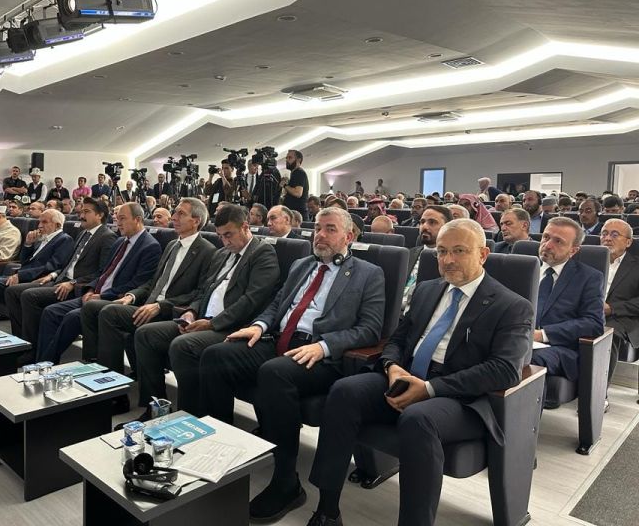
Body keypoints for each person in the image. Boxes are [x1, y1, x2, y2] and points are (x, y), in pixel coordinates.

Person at [306, 219, 533, 526]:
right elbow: (397, 340)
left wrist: (429, 389)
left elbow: (505, 370)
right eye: (441, 251)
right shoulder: (427, 290)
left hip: (459, 397)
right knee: (345, 391)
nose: (448, 260)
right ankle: (327, 508)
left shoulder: (511, 306)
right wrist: (392, 367)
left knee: (418, 418)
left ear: (483, 254)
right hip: (407, 376)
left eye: (459, 251)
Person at [199, 207, 386, 522]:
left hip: (321, 355)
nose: (320, 235)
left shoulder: (368, 273)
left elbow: (370, 329)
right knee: (216, 355)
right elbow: (277, 305)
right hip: (279, 341)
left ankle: (286, 481)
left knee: (274, 373)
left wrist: (324, 346)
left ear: (349, 236)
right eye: (318, 229)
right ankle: (223, 450)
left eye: (330, 229)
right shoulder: (302, 265)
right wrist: (258, 326)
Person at [131, 204, 279, 418]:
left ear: (245, 227)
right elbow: (203, 291)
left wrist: (211, 324)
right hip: (202, 320)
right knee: (146, 334)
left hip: (231, 326)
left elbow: (251, 300)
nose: (225, 241)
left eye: (229, 235)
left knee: (183, 345)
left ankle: (190, 415)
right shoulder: (221, 254)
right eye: (220, 236)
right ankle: (156, 408)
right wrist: (191, 312)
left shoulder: (262, 253)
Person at [81, 197, 216, 375]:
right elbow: (154, 282)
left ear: (196, 221)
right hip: (147, 304)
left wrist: (160, 306)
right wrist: (132, 295)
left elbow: (199, 293)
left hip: (170, 310)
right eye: (175, 212)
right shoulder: (172, 245)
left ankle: (110, 378)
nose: (174, 217)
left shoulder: (208, 251)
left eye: (181, 214)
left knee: (110, 312)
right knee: (94, 307)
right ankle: (100, 370)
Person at [34, 202, 161, 363]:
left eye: (122, 218)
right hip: (95, 294)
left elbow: (138, 283)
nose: (118, 222)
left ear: (138, 220)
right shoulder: (120, 242)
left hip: (114, 299)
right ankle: (41, 361)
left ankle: (47, 362)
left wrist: (102, 296)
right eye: (117, 218)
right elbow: (103, 273)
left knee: (72, 318)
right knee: (51, 312)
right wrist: (90, 289)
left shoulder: (150, 246)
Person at [4, 197, 117, 361]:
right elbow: (69, 264)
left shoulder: (107, 237)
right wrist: (53, 275)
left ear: (100, 215)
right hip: (61, 280)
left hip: (78, 287)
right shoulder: (83, 233)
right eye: (82, 211)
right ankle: (25, 345)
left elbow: (102, 272)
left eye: (87, 212)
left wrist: (73, 283)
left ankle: (33, 352)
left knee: (30, 296)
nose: (81, 215)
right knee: (14, 291)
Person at [530, 217, 604, 405]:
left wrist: (542, 335)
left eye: (558, 241)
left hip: (559, 348)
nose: (547, 245)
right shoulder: (524, 268)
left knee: (524, 357)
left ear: (573, 250)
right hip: (517, 338)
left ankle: (522, 419)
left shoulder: (589, 277)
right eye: (546, 237)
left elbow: (593, 323)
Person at [0, 209, 73, 331]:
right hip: (23, 274)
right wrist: (28, 244)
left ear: (57, 225)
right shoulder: (42, 238)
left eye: (44, 222)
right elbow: (24, 262)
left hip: (35, 279)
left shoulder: (64, 239)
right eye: (39, 222)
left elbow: (51, 266)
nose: (39, 225)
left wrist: (20, 275)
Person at [599, 219, 639, 386]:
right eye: (604, 234)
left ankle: (599, 392)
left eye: (615, 235)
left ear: (628, 242)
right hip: (587, 311)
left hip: (621, 317)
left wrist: (612, 308)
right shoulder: (587, 260)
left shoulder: (636, 265)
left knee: (608, 333)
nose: (607, 238)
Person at [402, 205, 452, 310]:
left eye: (432, 222)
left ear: (447, 228)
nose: (424, 226)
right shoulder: (408, 254)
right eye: (422, 222)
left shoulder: (451, 260)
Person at [281, 149, 309, 219]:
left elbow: (297, 193)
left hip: (297, 215)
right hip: (294, 214)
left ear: (298, 160)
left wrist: (285, 185)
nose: (287, 160)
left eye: (290, 158)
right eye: (286, 158)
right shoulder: (294, 173)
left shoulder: (299, 172)